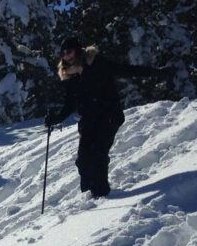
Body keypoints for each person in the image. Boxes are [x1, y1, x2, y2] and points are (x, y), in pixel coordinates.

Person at [44, 37, 168, 198]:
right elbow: (70, 104)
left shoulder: (97, 63)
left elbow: (125, 70)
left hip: (109, 114)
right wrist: (56, 118)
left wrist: (156, 73)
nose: (66, 56)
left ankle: (100, 194)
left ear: (78, 50)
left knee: (98, 154)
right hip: (88, 120)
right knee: (83, 160)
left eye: (69, 51)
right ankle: (88, 196)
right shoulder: (70, 76)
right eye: (63, 53)